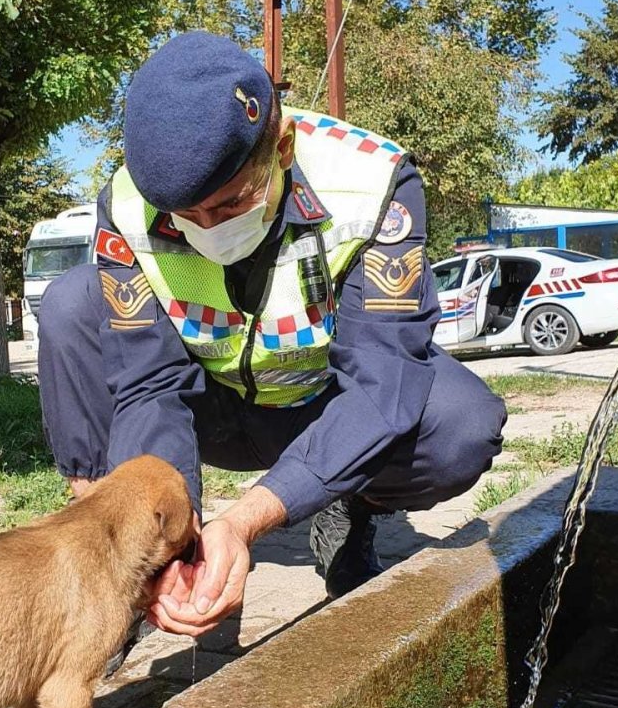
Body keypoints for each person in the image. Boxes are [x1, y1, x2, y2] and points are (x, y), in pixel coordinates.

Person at [38, 32, 506, 649]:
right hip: (210, 404)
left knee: (460, 423)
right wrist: (161, 544)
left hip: (318, 408)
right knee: (71, 303)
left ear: (281, 147)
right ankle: (114, 559)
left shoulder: (371, 183)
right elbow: (148, 387)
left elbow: (383, 383)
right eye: (186, 216)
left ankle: (350, 505)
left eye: (230, 203)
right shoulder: (126, 205)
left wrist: (246, 518)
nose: (207, 229)